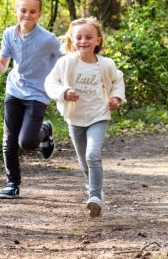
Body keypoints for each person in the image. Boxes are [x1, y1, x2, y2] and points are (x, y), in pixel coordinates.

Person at [44, 17, 124, 217]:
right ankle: (94, 187)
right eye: (78, 37)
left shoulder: (106, 64)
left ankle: (95, 197)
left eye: (89, 37)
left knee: (92, 155)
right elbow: (50, 82)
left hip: (98, 115)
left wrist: (115, 97)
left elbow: (117, 80)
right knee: (83, 160)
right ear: (72, 40)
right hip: (75, 117)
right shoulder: (66, 63)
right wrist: (64, 92)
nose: (83, 41)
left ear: (98, 40)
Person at [0, 0, 62, 199]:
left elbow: (65, 59)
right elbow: (2, 68)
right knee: (8, 140)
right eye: (23, 10)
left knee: (27, 143)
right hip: (14, 90)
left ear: (39, 14)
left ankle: (45, 130)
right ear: (16, 11)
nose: (27, 15)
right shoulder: (9, 33)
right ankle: (12, 184)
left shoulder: (48, 39)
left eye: (32, 11)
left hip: (38, 92)